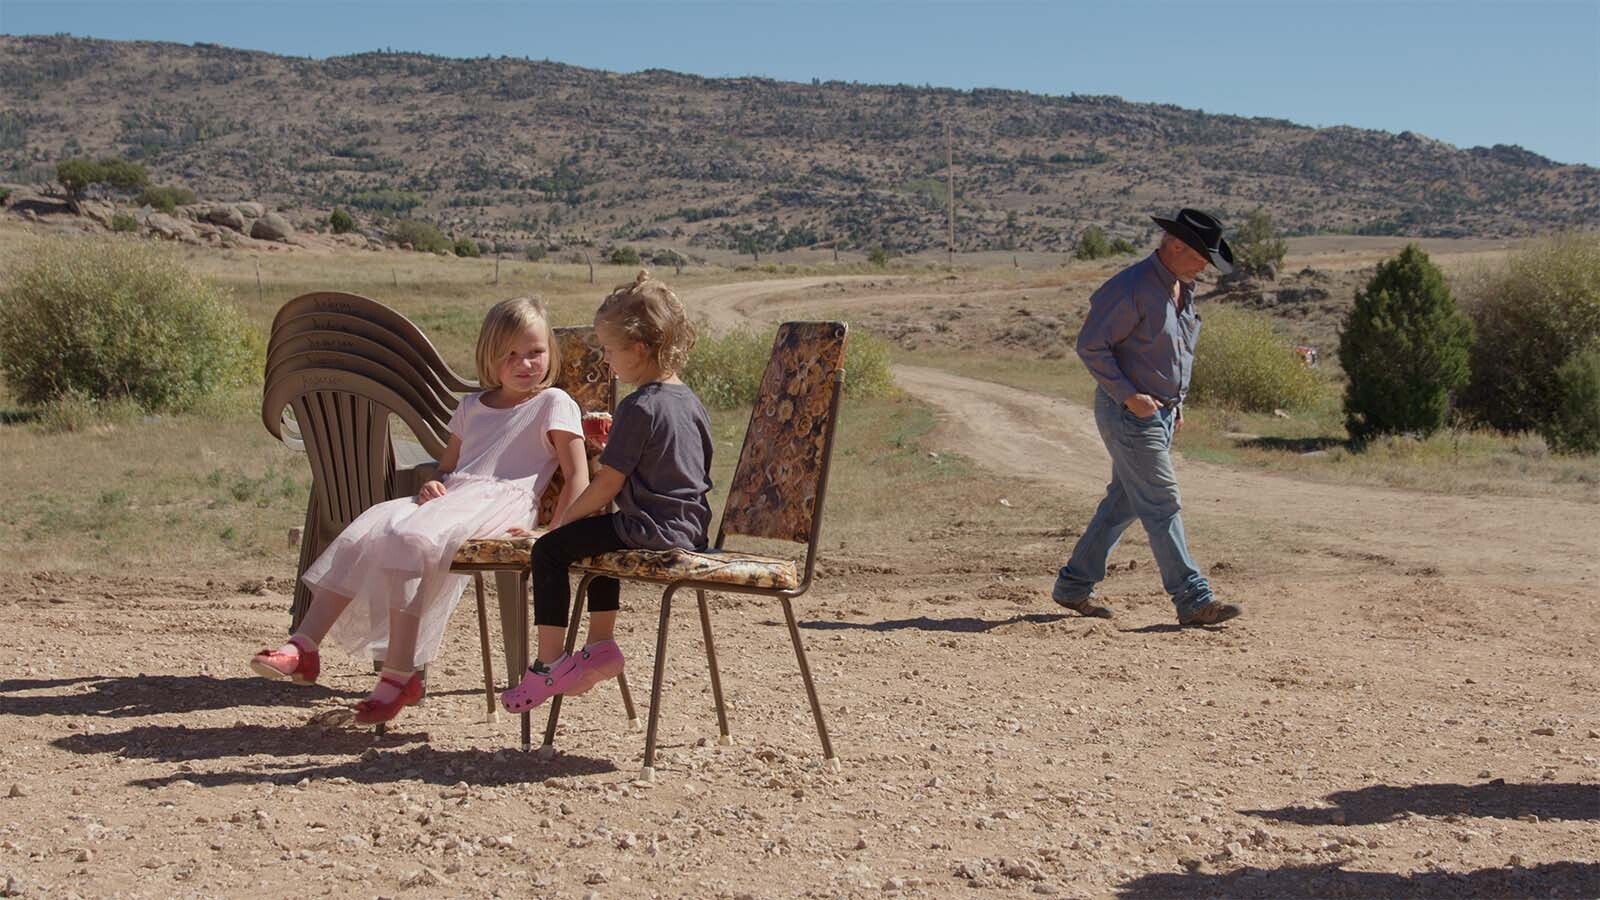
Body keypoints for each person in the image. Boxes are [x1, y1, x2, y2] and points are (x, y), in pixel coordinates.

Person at [250, 296, 590, 724]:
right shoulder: (471, 407)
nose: (524, 364)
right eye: (510, 355)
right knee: (367, 529)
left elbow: (578, 475)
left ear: (550, 353)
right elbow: (447, 468)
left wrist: (553, 533)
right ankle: (304, 645)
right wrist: (433, 481)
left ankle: (397, 676)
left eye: (535, 352)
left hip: (503, 502)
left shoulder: (553, 402)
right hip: (452, 497)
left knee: (410, 538)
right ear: (490, 357)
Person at [502, 270, 713, 712]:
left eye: (612, 350)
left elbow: (607, 483)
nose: (607, 360)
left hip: (650, 529)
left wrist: (558, 525)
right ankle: (599, 646)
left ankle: (548, 664)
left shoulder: (638, 406)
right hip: (690, 530)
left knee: (552, 552)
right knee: (599, 535)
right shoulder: (689, 401)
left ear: (639, 349)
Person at [1052, 208, 1243, 627]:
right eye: (1200, 257)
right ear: (1175, 246)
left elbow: (1175, 353)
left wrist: (1177, 403)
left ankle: (1073, 586)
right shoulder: (1133, 287)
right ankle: (1193, 598)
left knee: (1123, 504)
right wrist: (1130, 396)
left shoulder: (1180, 288)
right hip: (1128, 414)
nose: (1204, 267)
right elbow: (1091, 346)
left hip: (1158, 413)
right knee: (1162, 502)